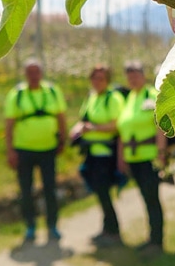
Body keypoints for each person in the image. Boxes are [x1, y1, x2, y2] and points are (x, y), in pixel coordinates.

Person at [4, 58, 67, 243]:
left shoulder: (53, 92)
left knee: (50, 189)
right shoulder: (16, 95)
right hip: (24, 150)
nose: (33, 76)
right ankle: (30, 226)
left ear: (41, 73)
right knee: (26, 190)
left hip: (48, 150)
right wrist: (10, 151)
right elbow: (8, 125)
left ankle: (52, 225)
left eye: (36, 72)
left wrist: (62, 140)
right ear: (25, 75)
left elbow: (61, 118)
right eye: (29, 72)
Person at [70, 65, 125, 248]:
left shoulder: (113, 98)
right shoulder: (91, 97)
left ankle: (113, 230)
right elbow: (84, 119)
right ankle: (107, 228)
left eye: (100, 78)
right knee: (100, 193)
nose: (97, 82)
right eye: (94, 78)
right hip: (91, 153)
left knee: (103, 191)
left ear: (107, 80)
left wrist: (93, 129)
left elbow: (117, 124)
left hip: (106, 154)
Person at [116, 60, 167, 255]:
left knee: (152, 199)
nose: (132, 78)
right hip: (133, 157)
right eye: (129, 75)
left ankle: (157, 242)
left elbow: (160, 128)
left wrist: (161, 155)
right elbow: (123, 129)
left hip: (149, 157)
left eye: (135, 74)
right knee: (146, 199)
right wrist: (121, 158)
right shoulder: (129, 99)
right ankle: (151, 238)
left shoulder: (152, 96)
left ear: (143, 75)